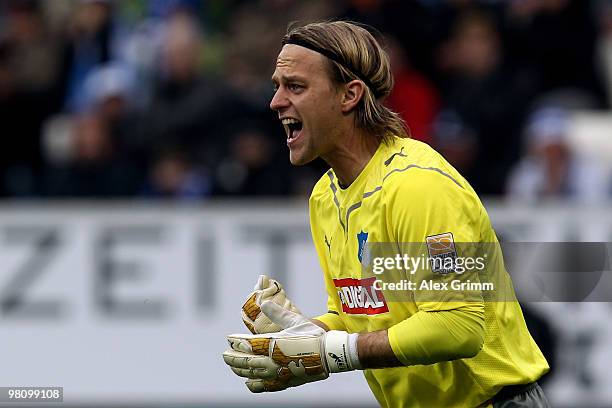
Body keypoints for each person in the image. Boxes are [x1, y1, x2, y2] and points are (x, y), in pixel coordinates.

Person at [222, 21, 550, 408]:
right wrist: (306, 335)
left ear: (349, 95)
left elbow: (458, 325)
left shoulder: (418, 185)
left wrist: (334, 353)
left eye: (295, 86)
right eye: (277, 86)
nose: (275, 102)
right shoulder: (325, 197)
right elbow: (359, 314)